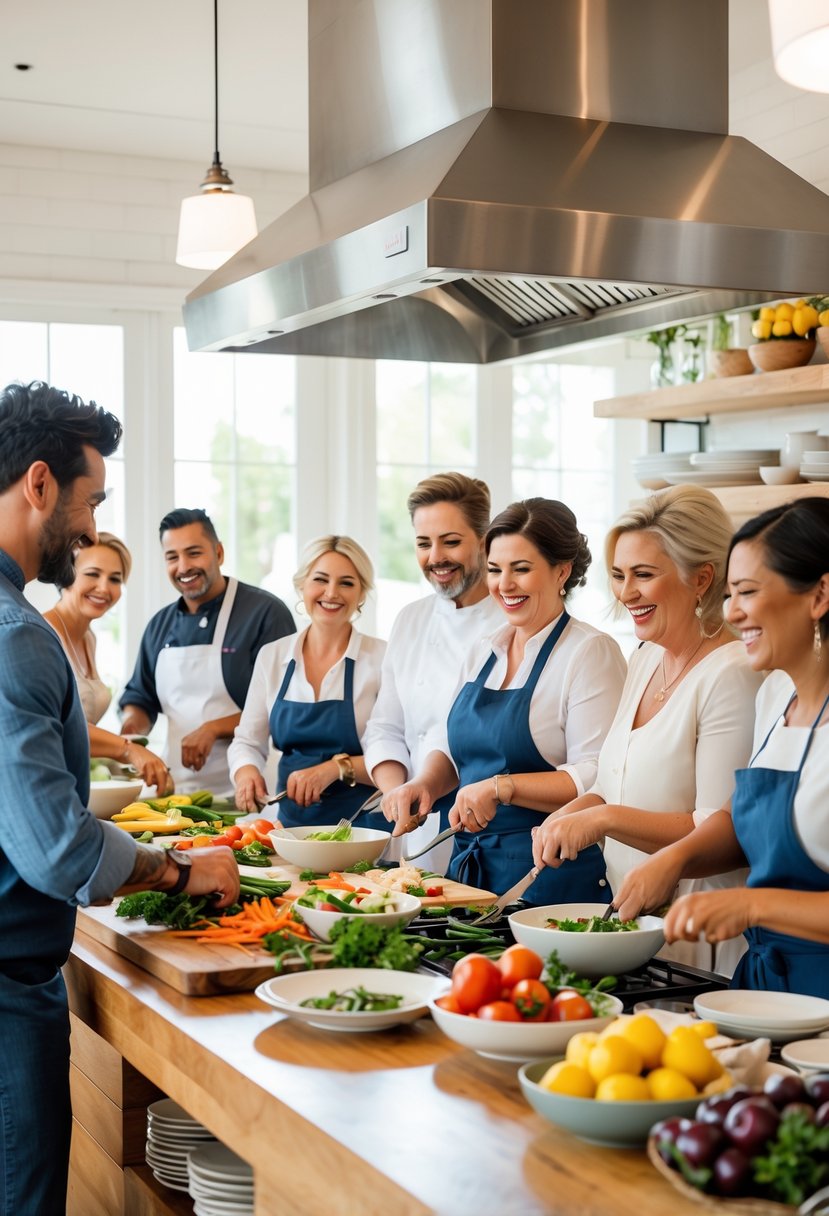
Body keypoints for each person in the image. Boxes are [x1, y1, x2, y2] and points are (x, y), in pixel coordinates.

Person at [0, 381, 239, 1216]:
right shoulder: (18, 637)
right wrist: (181, 873)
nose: (95, 529)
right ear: (39, 485)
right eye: (91, 501)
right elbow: (57, 850)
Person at [532, 486, 763, 972]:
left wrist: (605, 819)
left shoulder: (732, 673)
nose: (626, 592)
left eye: (644, 575)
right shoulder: (644, 657)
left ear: (701, 578)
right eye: (618, 575)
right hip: (635, 929)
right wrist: (576, 811)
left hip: (701, 939)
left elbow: (721, 833)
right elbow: (614, 780)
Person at [614, 498, 829, 997]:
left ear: (819, 594)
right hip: (762, 990)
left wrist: (752, 907)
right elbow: (740, 818)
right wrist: (677, 858)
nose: (732, 612)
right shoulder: (776, 694)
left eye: (748, 592)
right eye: (730, 593)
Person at [382, 498, 627, 903]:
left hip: (548, 877)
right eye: (495, 570)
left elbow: (597, 775)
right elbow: (452, 745)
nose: (504, 585)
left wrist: (502, 788)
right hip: (469, 871)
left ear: (561, 571)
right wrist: (426, 783)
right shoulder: (484, 650)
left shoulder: (589, 653)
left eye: (522, 569)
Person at [362, 472, 504, 867]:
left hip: (476, 829)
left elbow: (472, 738)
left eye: (451, 541)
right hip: (407, 824)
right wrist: (397, 792)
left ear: (485, 539)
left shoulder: (509, 624)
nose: (436, 557)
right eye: (424, 543)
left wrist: (422, 786)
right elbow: (385, 726)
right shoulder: (410, 618)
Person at [119, 508, 295, 797]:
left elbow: (284, 704)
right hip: (176, 792)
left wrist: (213, 728)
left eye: (194, 553)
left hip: (249, 790)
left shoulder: (265, 613)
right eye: (172, 557)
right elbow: (140, 696)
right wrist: (131, 730)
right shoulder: (159, 626)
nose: (183, 566)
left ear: (219, 553)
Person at [230, 535, 386, 826]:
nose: (331, 592)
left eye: (347, 583)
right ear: (302, 585)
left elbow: (397, 753)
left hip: (365, 827)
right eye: (320, 580)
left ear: (362, 593)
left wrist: (334, 769)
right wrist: (246, 771)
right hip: (290, 826)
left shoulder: (382, 658)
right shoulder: (273, 656)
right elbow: (247, 741)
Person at [43, 532, 172, 793]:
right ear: (66, 574)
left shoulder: (88, 638)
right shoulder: (44, 634)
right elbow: (56, 723)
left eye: (115, 579)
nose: (104, 588)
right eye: (92, 574)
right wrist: (126, 750)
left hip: (75, 784)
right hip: (46, 786)